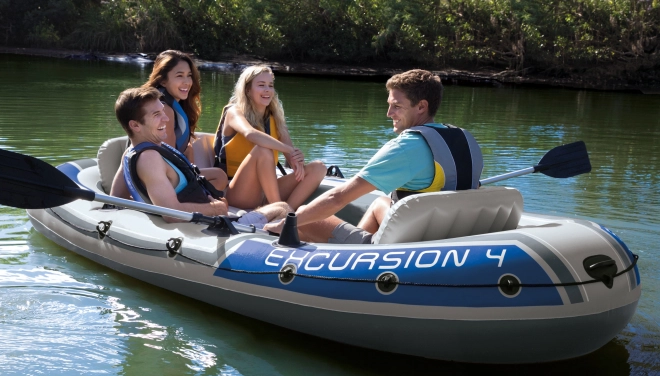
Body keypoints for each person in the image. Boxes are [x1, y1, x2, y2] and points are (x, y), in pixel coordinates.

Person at [265, 69, 483, 243]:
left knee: (303, 216)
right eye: (389, 106)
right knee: (382, 200)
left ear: (421, 107)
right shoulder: (466, 140)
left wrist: (285, 222)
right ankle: (353, 246)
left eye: (396, 106)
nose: (389, 114)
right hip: (442, 236)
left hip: (404, 247)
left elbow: (337, 197)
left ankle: (350, 257)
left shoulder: (408, 146)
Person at [109, 87, 290, 225]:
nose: (165, 119)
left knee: (281, 210)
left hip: (210, 220)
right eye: (157, 115)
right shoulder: (149, 158)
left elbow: (116, 199)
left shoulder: (134, 151)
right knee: (283, 209)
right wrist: (214, 208)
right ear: (135, 125)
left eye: (163, 112)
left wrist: (145, 200)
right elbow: (171, 213)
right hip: (211, 229)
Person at [214, 65, 326, 210]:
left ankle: (285, 215)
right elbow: (250, 133)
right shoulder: (234, 112)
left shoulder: (275, 117)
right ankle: (277, 210)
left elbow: (291, 158)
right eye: (261, 85)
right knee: (263, 149)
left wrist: (297, 159)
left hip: (265, 190)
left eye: (270, 85)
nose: (267, 89)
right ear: (247, 90)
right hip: (237, 192)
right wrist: (287, 149)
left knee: (319, 168)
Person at [143, 49, 227, 191]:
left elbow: (177, 147)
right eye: (179, 76)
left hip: (168, 175)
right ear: (163, 81)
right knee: (219, 176)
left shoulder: (172, 106)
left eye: (189, 76)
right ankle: (195, 204)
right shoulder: (165, 110)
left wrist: (189, 155)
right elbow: (167, 157)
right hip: (159, 182)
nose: (187, 82)